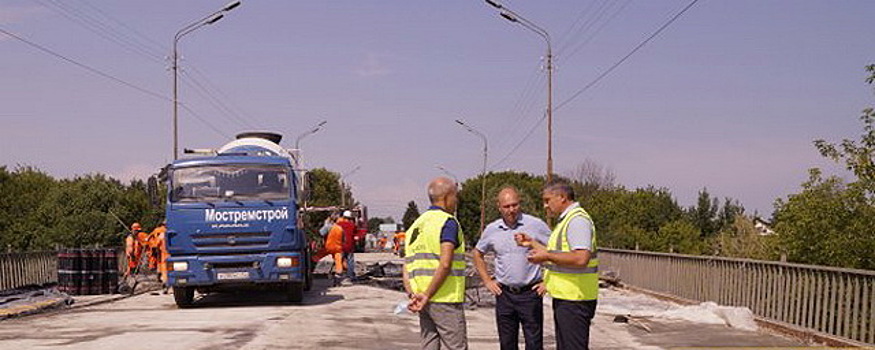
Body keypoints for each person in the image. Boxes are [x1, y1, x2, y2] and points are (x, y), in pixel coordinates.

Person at [515, 182, 599, 350]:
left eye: (548, 200)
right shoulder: (566, 221)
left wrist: (545, 255)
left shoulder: (577, 221)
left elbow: (581, 258)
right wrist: (532, 243)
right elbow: (558, 254)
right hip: (567, 298)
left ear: (562, 197)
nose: (546, 206)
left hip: (576, 298)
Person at [473, 187, 551, 350]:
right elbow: (477, 254)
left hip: (530, 294)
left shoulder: (535, 225)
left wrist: (549, 282)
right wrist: (487, 281)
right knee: (507, 344)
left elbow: (556, 251)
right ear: (499, 207)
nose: (511, 210)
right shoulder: (492, 229)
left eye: (515, 205)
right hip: (504, 295)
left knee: (534, 343)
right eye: (507, 206)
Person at [403, 176, 468, 350]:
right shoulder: (447, 223)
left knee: (429, 345)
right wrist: (428, 294)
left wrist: (413, 294)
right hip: (444, 299)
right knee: (455, 346)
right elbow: (445, 263)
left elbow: (407, 265)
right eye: (455, 196)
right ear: (447, 197)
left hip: (422, 300)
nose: (456, 201)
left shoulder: (416, 226)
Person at [339, 210, 357, 282]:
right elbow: (356, 233)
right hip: (350, 246)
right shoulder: (353, 225)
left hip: (340, 246)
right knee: (350, 261)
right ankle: (350, 276)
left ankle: (339, 276)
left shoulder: (338, 224)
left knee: (339, 261)